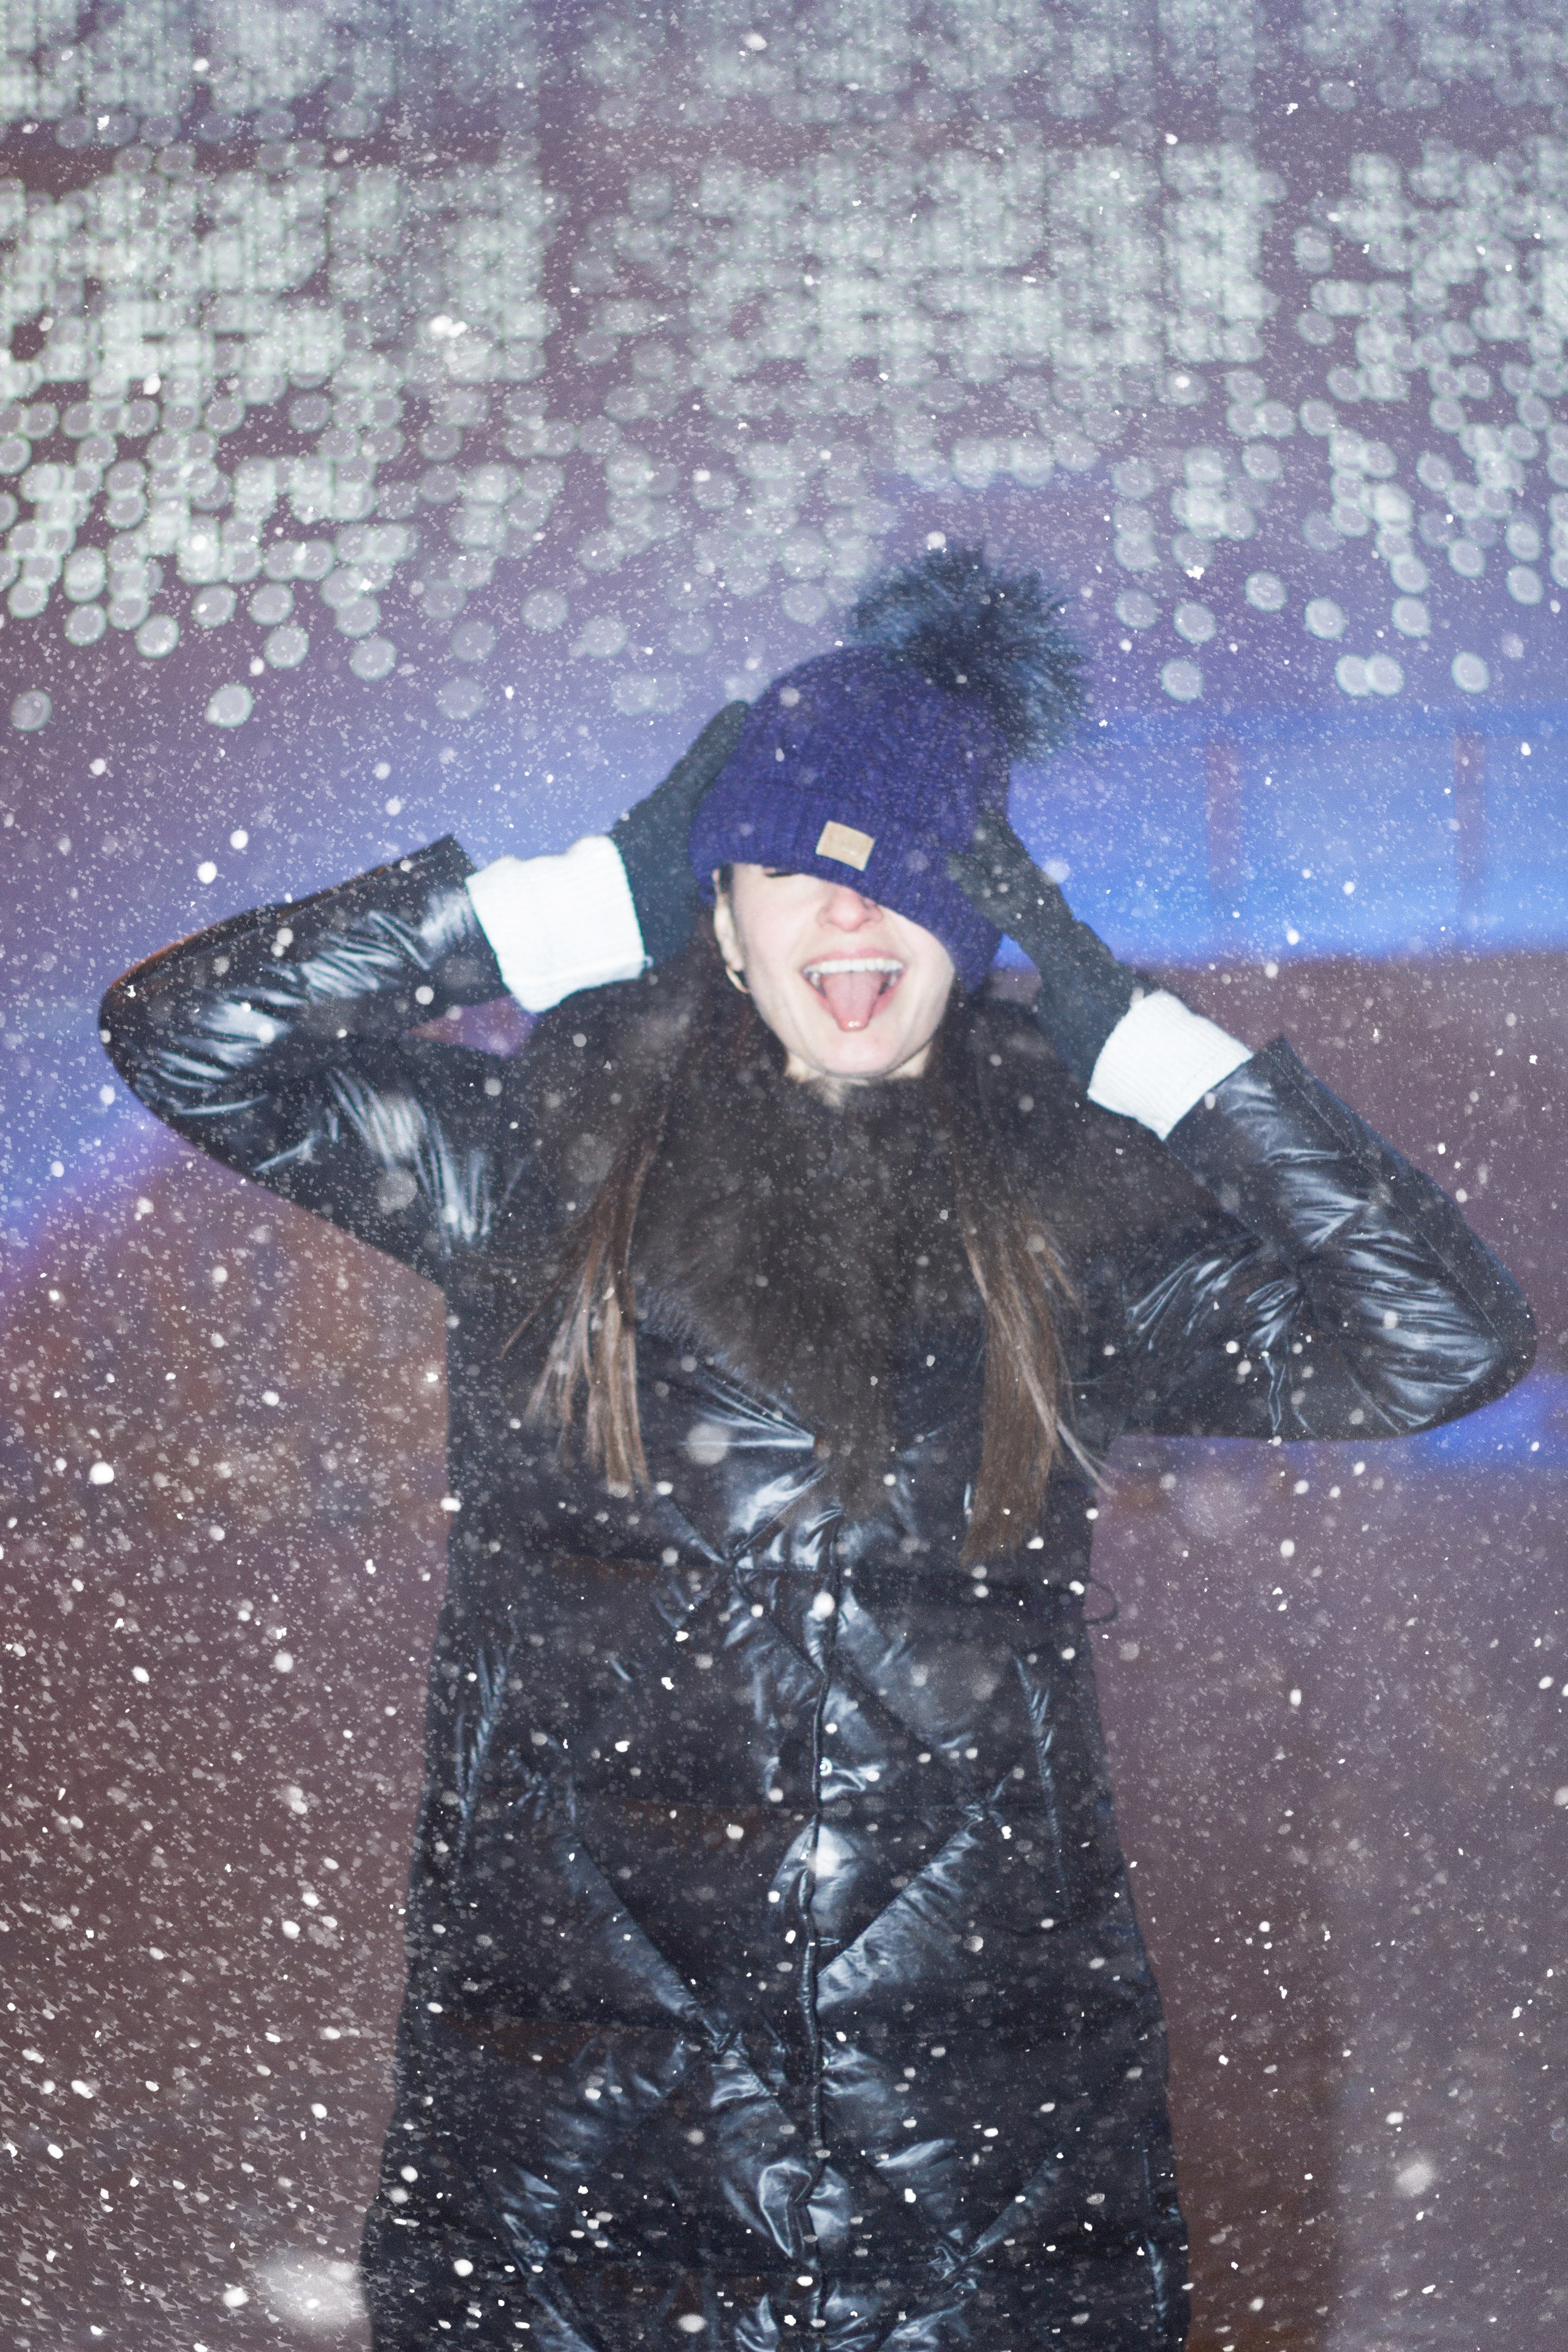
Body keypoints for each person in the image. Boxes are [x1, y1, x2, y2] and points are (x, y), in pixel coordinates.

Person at [101, 547, 1533, 2352]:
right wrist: (561, 906)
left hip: (965, 2149)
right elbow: (184, 1037)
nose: (853, 927)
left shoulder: (1065, 1220)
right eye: (791, 866)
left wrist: (1155, 1054)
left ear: (987, 927)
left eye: (914, 881)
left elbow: (1439, 1338)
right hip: (578, 2136)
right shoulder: (542, 1166)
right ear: (713, 910)